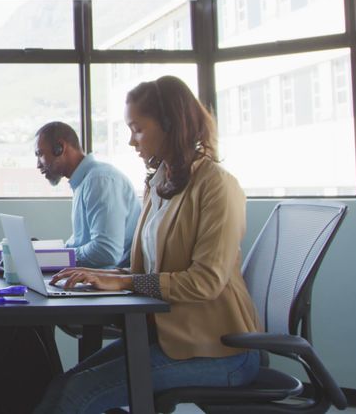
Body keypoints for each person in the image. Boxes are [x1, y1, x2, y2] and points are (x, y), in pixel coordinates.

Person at [34, 76, 261, 414]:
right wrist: (102, 276)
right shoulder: (160, 183)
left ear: (171, 124)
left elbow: (205, 281)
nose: (131, 141)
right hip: (168, 338)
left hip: (219, 349)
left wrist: (125, 281)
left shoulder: (217, 186)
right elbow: (150, 269)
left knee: (77, 395)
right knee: (63, 384)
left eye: (137, 129)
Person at [34, 121, 140, 268]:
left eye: (40, 154)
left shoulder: (99, 180)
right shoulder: (83, 182)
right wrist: (48, 255)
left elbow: (106, 252)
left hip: (112, 276)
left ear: (60, 148)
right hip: (95, 274)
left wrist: (60, 258)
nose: (38, 165)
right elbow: (81, 243)